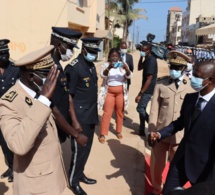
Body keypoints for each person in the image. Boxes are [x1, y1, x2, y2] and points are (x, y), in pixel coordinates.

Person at [0, 46, 67, 195]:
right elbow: (18, 145)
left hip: (51, 177)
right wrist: (43, 100)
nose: (52, 81)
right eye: (48, 76)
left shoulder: (37, 91)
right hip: (36, 185)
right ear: (31, 76)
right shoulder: (9, 102)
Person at [148, 61, 215, 195]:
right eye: (193, 75)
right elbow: (179, 123)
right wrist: (160, 134)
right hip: (181, 161)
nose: (192, 79)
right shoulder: (190, 98)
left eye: (197, 77)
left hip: (203, 168)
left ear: (210, 80)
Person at [148, 51, 194, 195]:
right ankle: (156, 189)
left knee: (175, 168)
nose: (173, 70)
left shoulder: (191, 87)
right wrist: (151, 131)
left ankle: (171, 190)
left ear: (183, 69)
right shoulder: (161, 84)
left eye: (177, 68)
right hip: (160, 132)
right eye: (172, 67)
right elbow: (154, 110)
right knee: (157, 164)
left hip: (179, 135)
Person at [64, 37, 102, 195]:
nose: (94, 55)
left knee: (86, 150)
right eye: (91, 51)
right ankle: (73, 182)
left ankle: (80, 174)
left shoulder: (90, 65)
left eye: (95, 52)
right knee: (79, 151)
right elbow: (69, 96)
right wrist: (74, 121)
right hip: (80, 117)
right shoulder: (74, 67)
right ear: (84, 50)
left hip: (91, 115)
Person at [50, 27, 84, 143]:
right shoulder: (51, 68)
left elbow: (66, 95)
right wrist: (75, 135)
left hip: (61, 127)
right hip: (52, 128)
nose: (72, 52)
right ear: (59, 45)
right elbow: (52, 108)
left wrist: (73, 120)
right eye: (70, 48)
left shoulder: (58, 65)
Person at [98, 48, 132, 144]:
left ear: (119, 57)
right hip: (109, 92)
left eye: (116, 56)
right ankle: (103, 133)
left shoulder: (123, 65)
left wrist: (126, 69)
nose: (114, 58)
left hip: (120, 92)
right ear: (109, 56)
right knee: (107, 113)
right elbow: (103, 75)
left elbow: (129, 76)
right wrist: (109, 68)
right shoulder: (105, 65)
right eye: (112, 56)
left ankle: (118, 131)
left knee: (119, 112)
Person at [0, 39, 20, 182]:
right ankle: (11, 166)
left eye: (7, 53)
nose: (5, 56)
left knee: (12, 142)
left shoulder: (16, 68)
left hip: (12, 113)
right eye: (2, 54)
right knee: (3, 142)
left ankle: (16, 169)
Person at [135, 41, 158, 136]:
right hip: (145, 88)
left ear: (149, 51)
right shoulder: (147, 58)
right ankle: (141, 129)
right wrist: (141, 57)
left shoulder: (151, 61)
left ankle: (153, 127)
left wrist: (140, 94)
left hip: (148, 89)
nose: (142, 51)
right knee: (142, 108)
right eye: (141, 50)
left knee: (140, 108)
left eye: (143, 51)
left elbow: (149, 79)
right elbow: (139, 68)